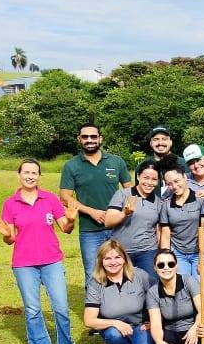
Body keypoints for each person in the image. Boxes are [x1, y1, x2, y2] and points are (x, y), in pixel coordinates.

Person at [0, 158, 80, 344]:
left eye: (34, 173)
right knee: (32, 310)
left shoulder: (49, 198)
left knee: (60, 307)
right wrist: (6, 235)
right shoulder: (10, 203)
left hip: (52, 261)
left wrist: (71, 219)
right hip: (24, 264)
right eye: (26, 172)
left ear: (39, 176)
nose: (30, 176)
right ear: (19, 175)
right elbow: (10, 238)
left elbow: (65, 228)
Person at [60, 123, 133, 287]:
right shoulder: (72, 165)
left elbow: (130, 191)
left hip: (118, 228)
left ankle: (119, 310)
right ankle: (95, 311)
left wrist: (120, 213)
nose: (89, 140)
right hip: (90, 231)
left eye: (93, 136)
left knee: (122, 269)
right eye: (85, 137)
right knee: (93, 272)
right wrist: (91, 211)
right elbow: (65, 197)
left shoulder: (116, 162)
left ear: (100, 138)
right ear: (79, 139)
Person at [83, 240, 156, 344]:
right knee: (114, 335)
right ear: (101, 261)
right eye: (107, 258)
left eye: (117, 257)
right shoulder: (95, 283)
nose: (113, 262)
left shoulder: (139, 275)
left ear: (124, 258)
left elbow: (160, 294)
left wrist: (154, 322)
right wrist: (116, 323)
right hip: (113, 328)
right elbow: (89, 320)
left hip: (139, 325)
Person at [146, 249, 204, 344]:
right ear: (155, 268)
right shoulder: (152, 292)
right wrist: (159, 342)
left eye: (170, 264)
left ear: (176, 265)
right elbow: (155, 324)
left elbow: (203, 310)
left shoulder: (189, 281)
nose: (166, 268)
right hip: (172, 330)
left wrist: (195, 328)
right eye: (161, 265)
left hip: (193, 326)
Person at [104, 159, 163, 278]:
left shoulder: (158, 203)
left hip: (147, 252)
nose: (149, 182)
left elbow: (159, 230)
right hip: (121, 251)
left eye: (154, 179)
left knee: (150, 285)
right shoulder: (122, 194)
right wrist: (124, 213)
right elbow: (108, 222)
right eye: (146, 178)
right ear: (138, 176)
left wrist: (161, 252)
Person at [159, 166, 204, 277]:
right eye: (169, 184)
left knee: (199, 287)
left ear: (185, 177)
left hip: (198, 252)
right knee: (183, 285)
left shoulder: (200, 199)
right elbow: (165, 235)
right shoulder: (166, 205)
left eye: (176, 181)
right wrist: (166, 258)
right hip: (178, 253)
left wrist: (202, 259)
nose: (174, 186)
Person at [139, 124, 186, 196]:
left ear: (171, 142)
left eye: (164, 139)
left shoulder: (184, 164)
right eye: (156, 139)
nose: (160, 143)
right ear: (151, 143)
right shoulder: (142, 166)